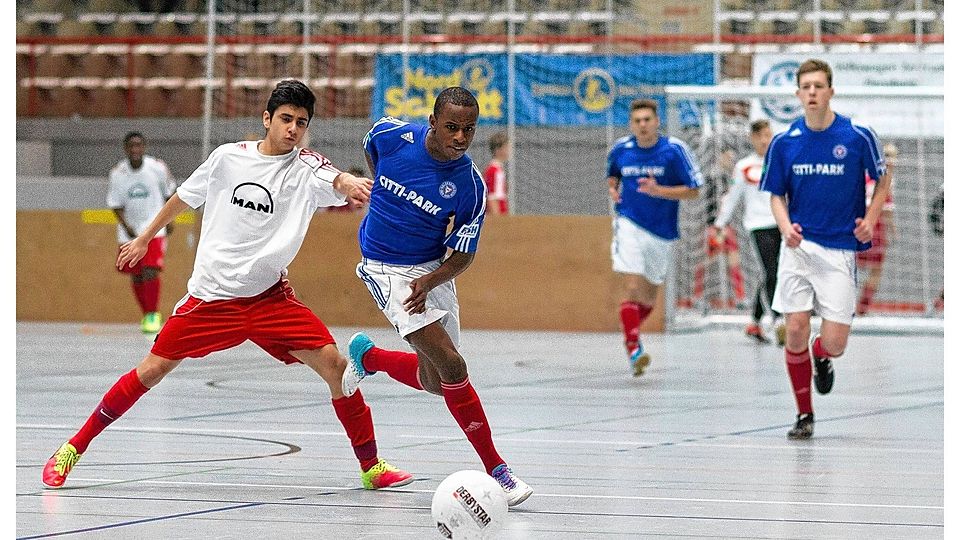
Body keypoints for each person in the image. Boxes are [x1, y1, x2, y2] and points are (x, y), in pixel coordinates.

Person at [42, 80, 413, 492]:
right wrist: (145, 237)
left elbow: (336, 178)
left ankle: (372, 467)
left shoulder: (306, 166)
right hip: (212, 298)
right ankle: (72, 449)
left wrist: (350, 184)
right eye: (286, 119)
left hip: (270, 299)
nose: (293, 128)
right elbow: (183, 198)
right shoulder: (226, 159)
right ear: (267, 119)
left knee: (337, 367)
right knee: (152, 370)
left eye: (301, 123)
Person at [340, 87, 533, 507]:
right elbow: (371, 149)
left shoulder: (470, 187)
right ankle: (499, 471)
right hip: (386, 269)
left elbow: (463, 253)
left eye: (468, 129)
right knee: (453, 363)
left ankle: (368, 357)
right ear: (432, 122)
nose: (460, 137)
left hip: (432, 273)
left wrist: (432, 280)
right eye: (451, 127)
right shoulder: (390, 136)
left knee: (436, 382)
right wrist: (384, 209)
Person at [760, 59, 890, 440]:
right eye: (806, 87)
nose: (813, 92)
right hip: (799, 249)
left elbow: (882, 180)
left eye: (819, 85)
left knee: (835, 343)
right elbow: (775, 196)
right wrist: (786, 228)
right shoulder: (785, 143)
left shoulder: (856, 135)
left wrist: (870, 217)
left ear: (831, 91)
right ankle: (804, 414)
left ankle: (821, 356)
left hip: (838, 251)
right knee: (795, 327)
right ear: (798, 94)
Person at [607, 98, 703, 376]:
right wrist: (614, 190)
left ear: (656, 121)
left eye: (647, 119)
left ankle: (632, 334)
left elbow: (694, 189)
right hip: (629, 223)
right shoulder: (621, 149)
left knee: (648, 298)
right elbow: (613, 175)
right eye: (637, 121)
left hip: (661, 230)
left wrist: (659, 191)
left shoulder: (674, 151)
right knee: (632, 286)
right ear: (631, 124)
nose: (642, 125)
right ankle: (634, 346)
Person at [713, 119, 785, 345]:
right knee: (772, 271)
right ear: (752, 139)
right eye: (760, 136)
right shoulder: (744, 167)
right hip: (758, 225)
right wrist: (720, 224)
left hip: (782, 224)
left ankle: (754, 322)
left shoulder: (782, 162)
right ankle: (778, 319)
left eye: (768, 135)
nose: (765, 140)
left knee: (776, 272)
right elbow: (732, 197)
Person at [107, 131, 177, 334]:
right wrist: (127, 226)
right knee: (136, 275)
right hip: (129, 231)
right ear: (125, 148)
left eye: (139, 145)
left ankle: (153, 315)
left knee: (150, 270)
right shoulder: (118, 173)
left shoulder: (157, 168)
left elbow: (169, 193)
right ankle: (147, 313)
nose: (135, 149)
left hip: (154, 227)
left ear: (144, 147)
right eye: (131, 146)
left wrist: (169, 219)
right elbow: (115, 204)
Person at [855, 143, 898, 314]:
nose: (892, 160)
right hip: (874, 221)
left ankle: (858, 306)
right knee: (875, 268)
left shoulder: (864, 171)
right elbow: (885, 206)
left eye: (894, 155)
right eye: (888, 155)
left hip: (859, 221)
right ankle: (861, 308)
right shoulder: (885, 176)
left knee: (858, 266)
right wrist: (893, 230)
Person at [483, 130, 510, 215]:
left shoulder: (498, 169)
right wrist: (497, 220)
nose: (509, 150)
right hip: (498, 216)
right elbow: (492, 197)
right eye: (507, 147)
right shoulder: (494, 171)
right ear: (498, 150)